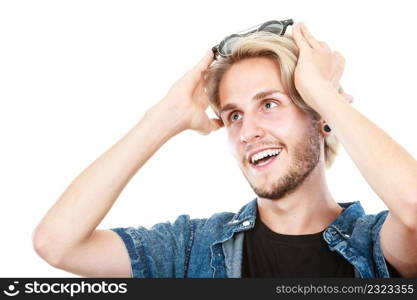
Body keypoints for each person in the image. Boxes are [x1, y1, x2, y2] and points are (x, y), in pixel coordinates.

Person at [32, 20, 417, 278]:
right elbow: (58, 244)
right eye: (233, 115)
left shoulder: (375, 244)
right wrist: (164, 117)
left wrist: (322, 93)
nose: (248, 131)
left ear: (320, 116)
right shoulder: (192, 248)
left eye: (269, 104)